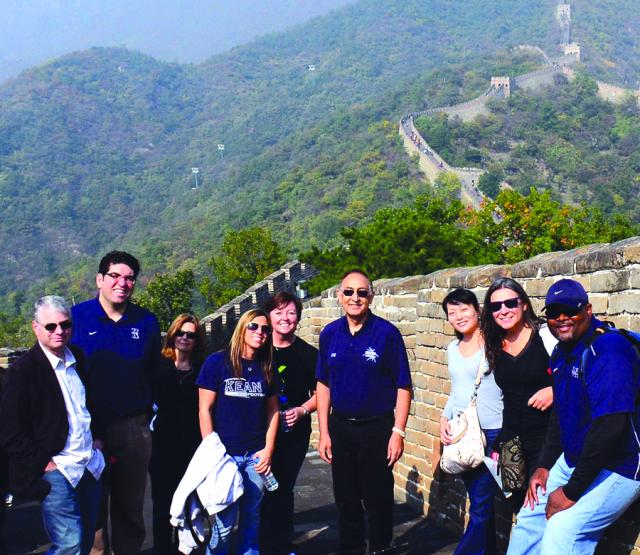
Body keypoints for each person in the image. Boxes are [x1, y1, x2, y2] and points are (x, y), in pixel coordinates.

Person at [507, 279, 640, 554]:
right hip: (575, 459)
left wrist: (570, 492)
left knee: (564, 532)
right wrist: (543, 465)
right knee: (529, 515)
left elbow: (610, 427)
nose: (562, 318)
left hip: (620, 464)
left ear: (588, 310)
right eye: (554, 313)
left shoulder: (607, 350)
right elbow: (561, 414)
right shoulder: (561, 352)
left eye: (571, 310)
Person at [316, 269, 412, 555]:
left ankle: (381, 548)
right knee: (346, 498)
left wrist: (398, 431)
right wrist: (323, 432)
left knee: (378, 497)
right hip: (341, 427)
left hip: (377, 428)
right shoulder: (330, 334)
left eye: (361, 292)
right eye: (349, 292)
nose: (355, 298)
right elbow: (323, 385)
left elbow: (403, 386)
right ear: (339, 296)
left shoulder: (387, 334)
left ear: (371, 296)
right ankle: (352, 548)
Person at [70, 251, 161, 554]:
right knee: (93, 507)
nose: (122, 283)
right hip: (85, 429)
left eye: (129, 278)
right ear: (100, 279)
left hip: (132, 427)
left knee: (130, 506)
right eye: (114, 276)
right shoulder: (76, 318)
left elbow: (152, 373)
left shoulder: (146, 322)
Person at [0, 296, 105, 554]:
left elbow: (91, 404)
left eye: (65, 325)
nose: (59, 331)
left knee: (84, 541)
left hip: (88, 465)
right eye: (51, 326)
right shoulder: (23, 371)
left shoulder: (77, 358)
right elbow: (9, 431)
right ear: (36, 328)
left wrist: (98, 441)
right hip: (57, 470)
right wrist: (45, 464)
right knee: (68, 544)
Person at [197, 309, 279, 555]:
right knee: (224, 522)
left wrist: (269, 450)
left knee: (252, 517)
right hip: (225, 456)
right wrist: (213, 456)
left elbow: (273, 412)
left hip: (255, 457)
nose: (260, 333)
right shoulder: (217, 363)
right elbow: (204, 410)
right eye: (254, 327)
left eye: (265, 329)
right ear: (242, 328)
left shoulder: (267, 367)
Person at [480, 277, 553, 513]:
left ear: (523, 304)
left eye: (510, 303)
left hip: (545, 439)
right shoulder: (494, 343)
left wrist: (556, 391)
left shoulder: (545, 335)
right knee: (518, 507)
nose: (503, 310)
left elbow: (579, 374)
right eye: (495, 306)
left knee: (542, 507)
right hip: (510, 443)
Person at [440, 289, 503, 555]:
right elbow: (457, 390)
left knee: (481, 502)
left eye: (463, 309)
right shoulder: (453, 349)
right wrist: (444, 416)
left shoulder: (495, 343)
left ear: (477, 310)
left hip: (495, 431)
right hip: (465, 434)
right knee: (480, 503)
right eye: (451, 313)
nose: (458, 316)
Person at [260, 291, 318, 555]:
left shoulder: (308, 354)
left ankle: (281, 543)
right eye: (279, 312)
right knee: (255, 488)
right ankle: (256, 542)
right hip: (258, 431)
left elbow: (322, 394)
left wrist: (303, 410)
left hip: (293, 432)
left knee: (282, 486)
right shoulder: (257, 348)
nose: (285, 318)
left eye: (291, 312)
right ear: (269, 316)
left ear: (299, 318)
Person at [150, 314, 206, 555]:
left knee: (192, 505)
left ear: (197, 340)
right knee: (163, 506)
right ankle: (163, 549)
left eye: (190, 335)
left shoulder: (202, 370)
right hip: (162, 447)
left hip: (193, 449)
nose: (184, 338)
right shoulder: (157, 367)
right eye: (180, 333)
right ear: (172, 335)